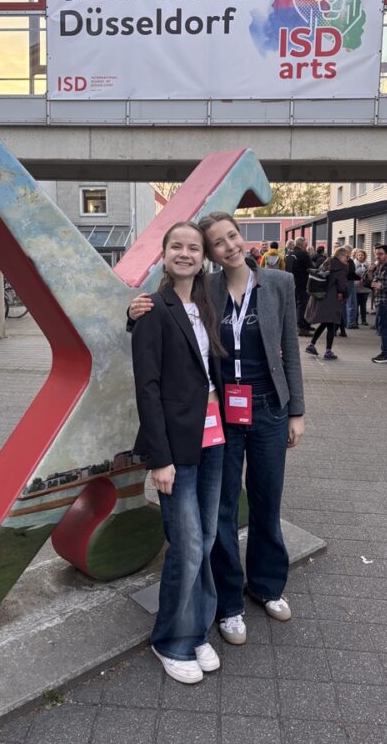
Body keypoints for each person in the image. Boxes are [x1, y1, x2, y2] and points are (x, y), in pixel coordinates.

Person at [128, 211, 305, 646]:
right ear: (211, 254)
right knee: (222, 510)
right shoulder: (205, 287)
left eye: (232, 237)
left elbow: (290, 348)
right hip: (222, 413)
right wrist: (133, 315)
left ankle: (267, 584)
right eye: (218, 243)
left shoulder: (279, 283)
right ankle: (228, 603)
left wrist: (297, 412)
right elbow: (168, 313)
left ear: (242, 238)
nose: (229, 247)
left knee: (266, 501)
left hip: (269, 408)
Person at [130, 222, 226, 685]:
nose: (185, 253)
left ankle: (196, 628)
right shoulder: (151, 309)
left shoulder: (207, 303)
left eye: (194, 247)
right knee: (186, 545)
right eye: (177, 246)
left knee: (205, 540)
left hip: (214, 436)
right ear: (164, 253)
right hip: (176, 445)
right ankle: (170, 640)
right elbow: (146, 389)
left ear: (203, 257)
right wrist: (159, 458)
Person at [304, 246, 348, 360]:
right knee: (330, 324)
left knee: (325, 323)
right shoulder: (341, 267)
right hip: (331, 298)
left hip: (321, 296)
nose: (347, 259)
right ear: (340, 255)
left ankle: (311, 345)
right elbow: (342, 285)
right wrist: (344, 294)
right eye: (346, 256)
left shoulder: (327, 262)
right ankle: (328, 351)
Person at [291, 237, 313, 336]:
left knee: (297, 305)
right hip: (302, 283)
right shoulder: (303, 254)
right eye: (306, 245)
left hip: (292, 282)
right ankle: (302, 327)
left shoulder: (290, 254)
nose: (306, 247)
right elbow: (311, 267)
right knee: (302, 305)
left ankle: (301, 325)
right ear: (302, 245)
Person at [352, 248, 370, 326]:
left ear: (364, 256)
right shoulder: (354, 264)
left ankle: (364, 320)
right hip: (356, 287)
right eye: (359, 255)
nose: (360, 256)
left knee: (363, 305)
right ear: (356, 256)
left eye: (362, 255)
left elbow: (370, 275)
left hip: (365, 288)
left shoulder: (367, 264)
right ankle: (355, 320)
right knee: (356, 305)